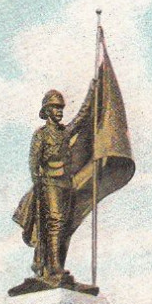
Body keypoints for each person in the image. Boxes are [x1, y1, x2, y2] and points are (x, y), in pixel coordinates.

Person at [24, 82, 95, 285]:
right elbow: (34, 162)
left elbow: (81, 119)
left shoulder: (64, 132)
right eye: (55, 108)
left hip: (66, 184)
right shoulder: (41, 135)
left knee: (64, 227)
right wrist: (39, 185)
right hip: (49, 184)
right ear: (46, 111)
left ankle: (57, 266)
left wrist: (93, 91)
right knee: (54, 224)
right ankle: (53, 268)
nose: (59, 112)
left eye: (61, 108)